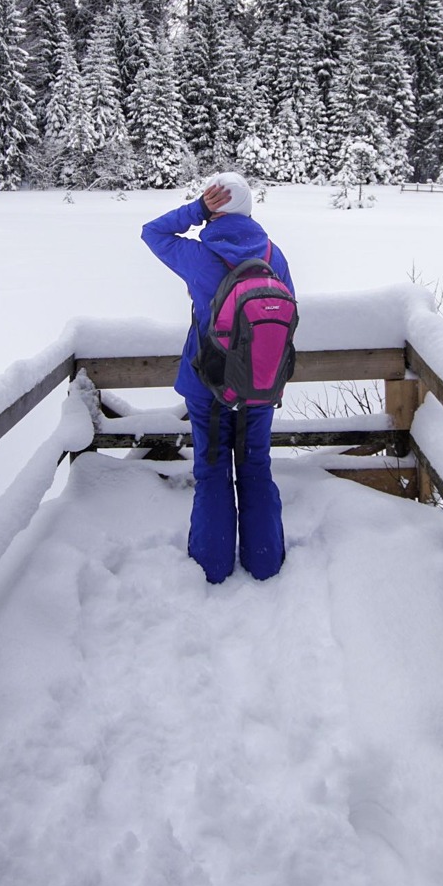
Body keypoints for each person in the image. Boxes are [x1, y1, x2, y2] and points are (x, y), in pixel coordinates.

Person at [140, 172, 295, 583]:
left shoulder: (197, 255)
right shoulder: (272, 254)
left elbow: (151, 232)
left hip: (206, 386)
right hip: (260, 386)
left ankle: (213, 567)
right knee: (256, 468)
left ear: (214, 208)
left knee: (212, 472)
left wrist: (196, 211)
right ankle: (265, 563)